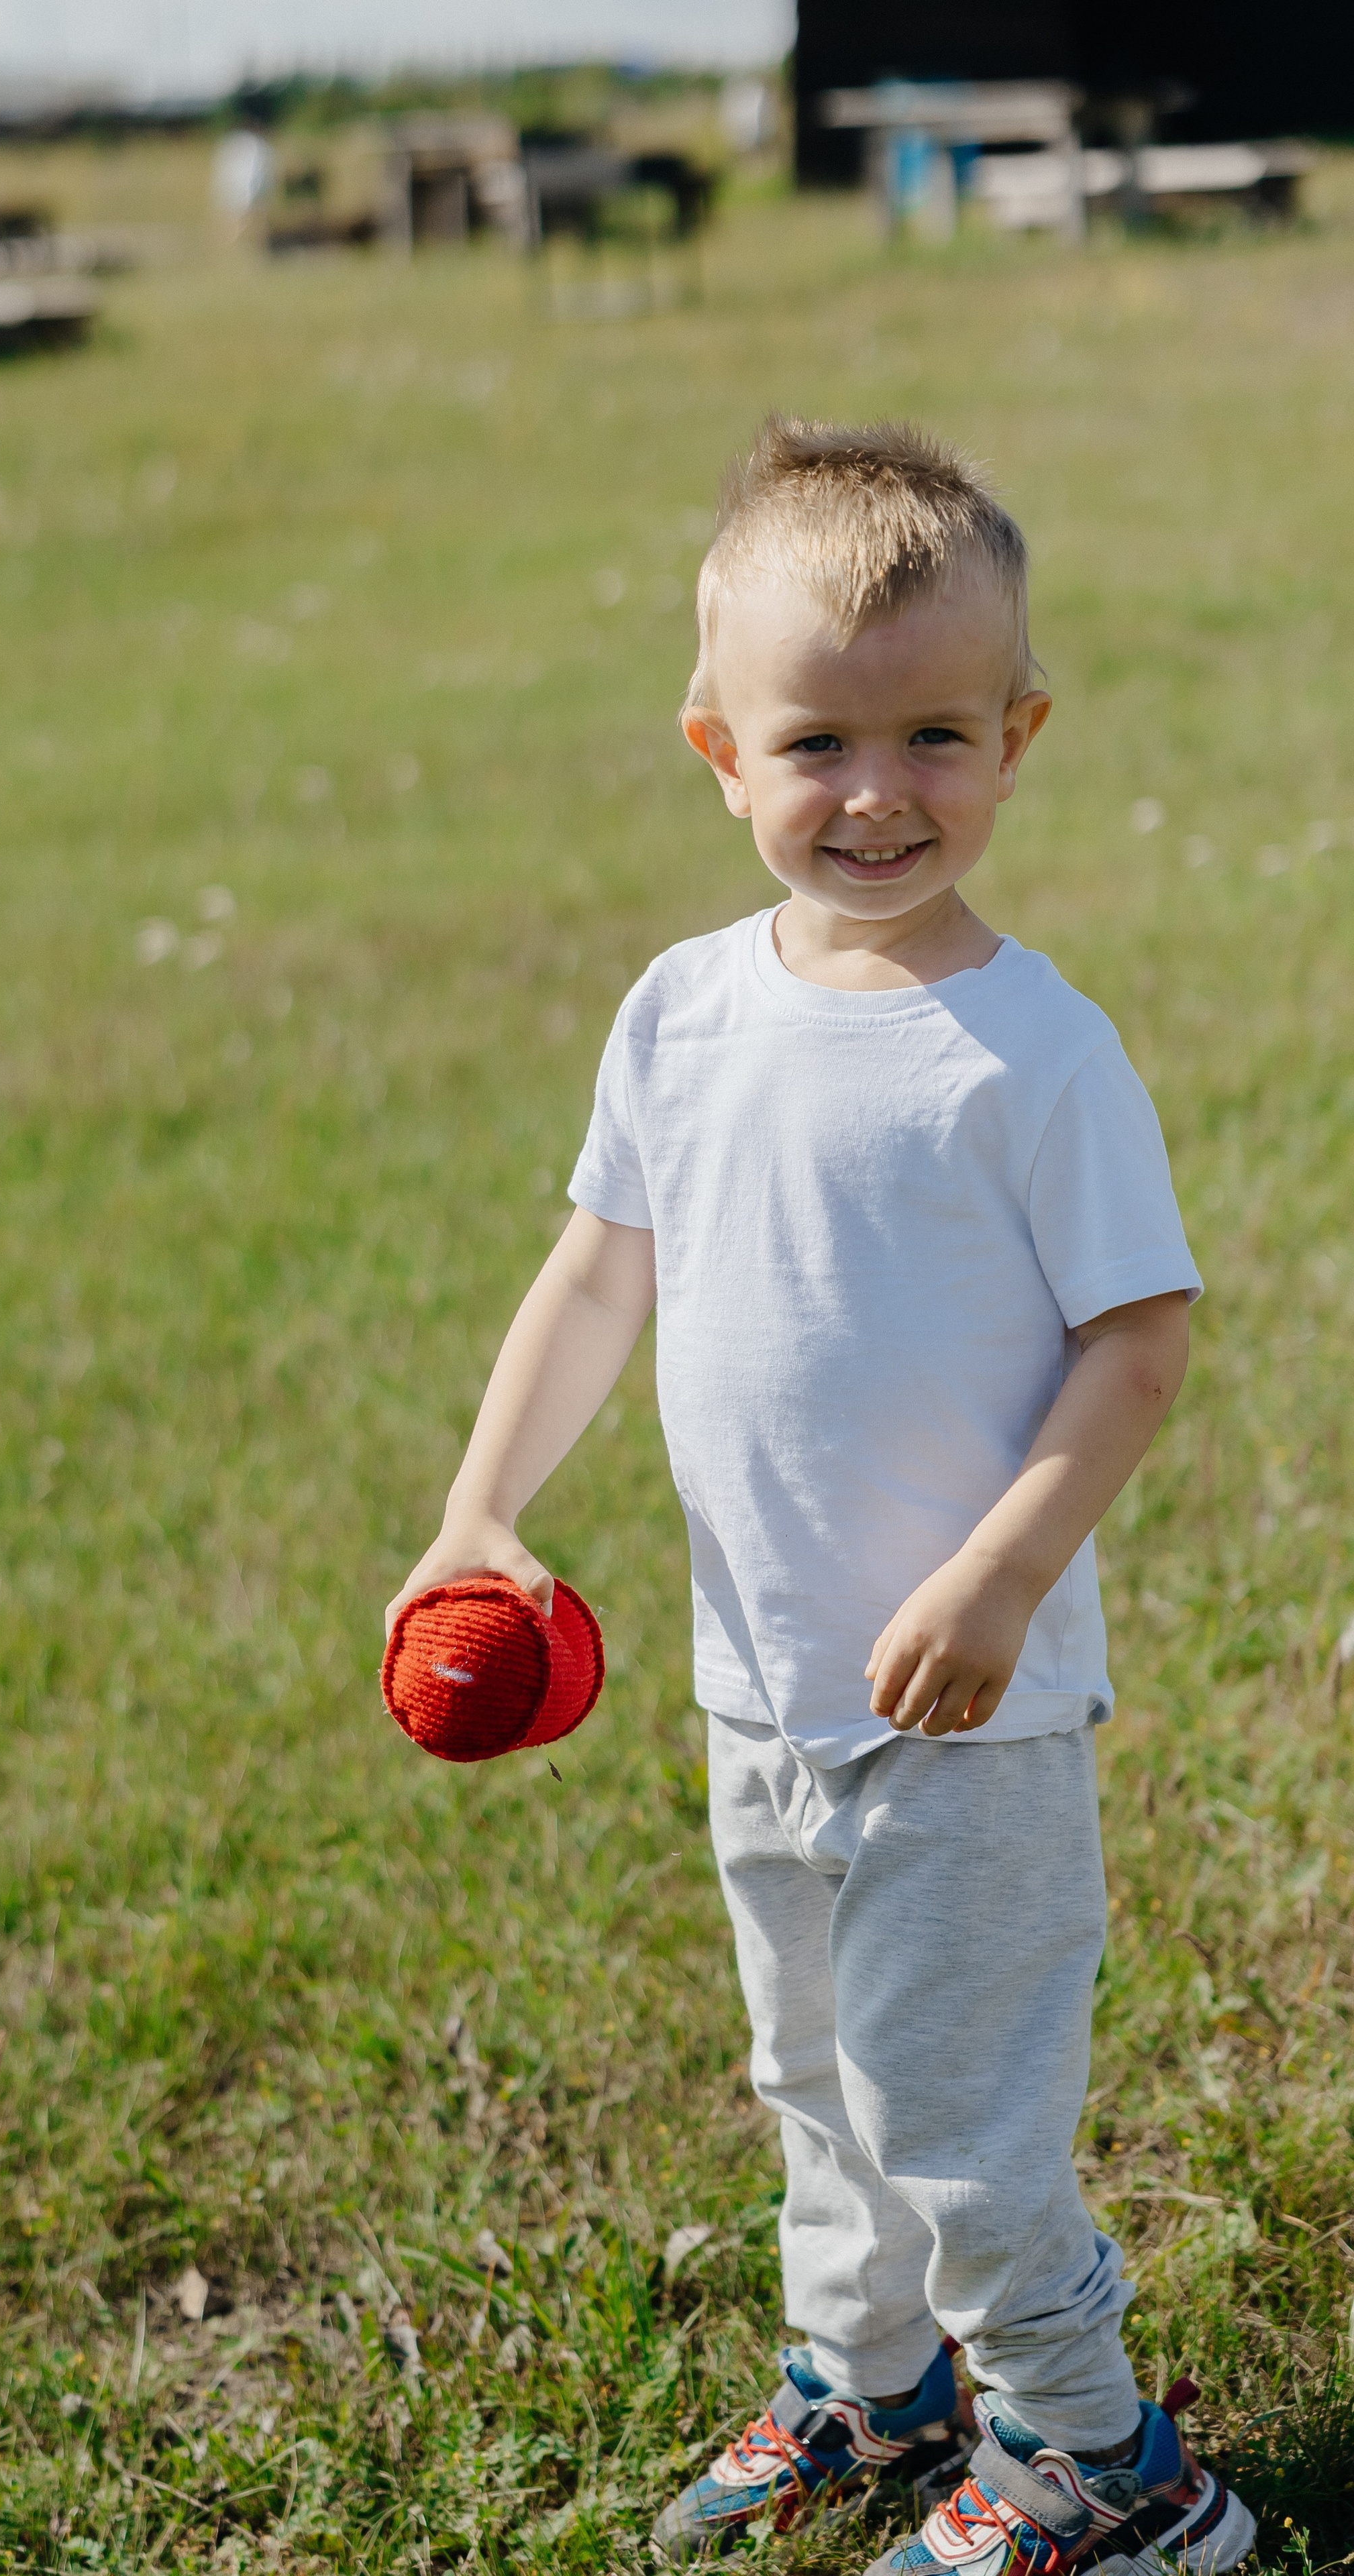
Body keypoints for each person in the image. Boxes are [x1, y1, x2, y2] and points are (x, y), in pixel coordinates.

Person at [385, 418, 1255, 2575]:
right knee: (817, 2081)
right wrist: (480, 1510)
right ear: (719, 750)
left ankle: (1106, 2463)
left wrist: (1000, 1576)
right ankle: (875, 2382)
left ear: (1018, 738)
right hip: (761, 1688)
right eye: (817, 744)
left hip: (968, 1707)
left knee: (956, 2112)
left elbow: (1139, 1346)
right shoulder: (683, 1016)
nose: (878, 792)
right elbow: (598, 1276)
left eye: (935, 736)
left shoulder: (1034, 1054)